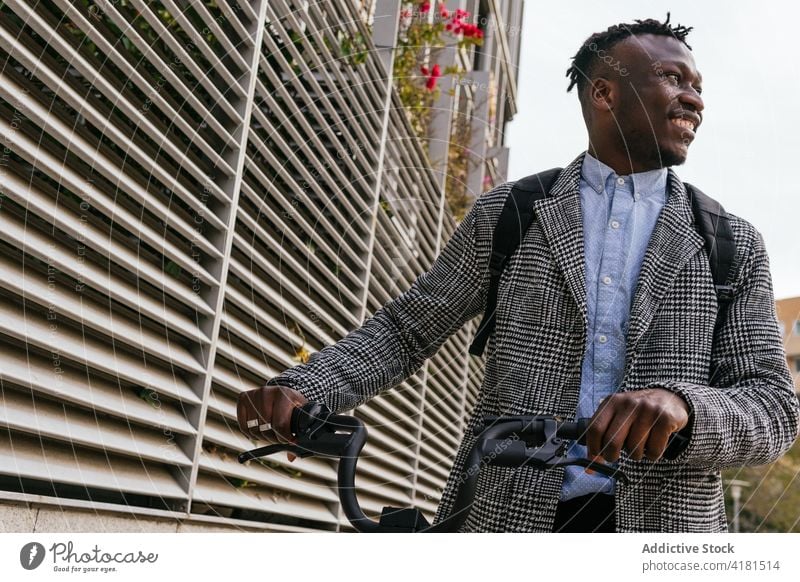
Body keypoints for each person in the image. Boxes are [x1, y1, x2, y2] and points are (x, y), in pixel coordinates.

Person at [237, 16, 799, 532]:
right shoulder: (511, 212)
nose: (693, 100)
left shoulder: (729, 242)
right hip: (505, 516)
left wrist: (684, 406)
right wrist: (302, 388)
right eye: (673, 79)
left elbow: (775, 407)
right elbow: (406, 329)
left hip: (665, 534)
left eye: (698, 86)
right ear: (604, 93)